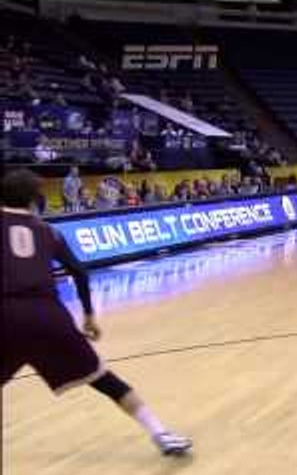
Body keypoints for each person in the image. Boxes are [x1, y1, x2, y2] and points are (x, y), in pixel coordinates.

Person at [1, 170, 192, 456]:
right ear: (33, 200)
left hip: (6, 316)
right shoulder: (48, 231)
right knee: (102, 379)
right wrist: (89, 316)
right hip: (49, 317)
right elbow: (78, 271)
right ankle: (161, 433)